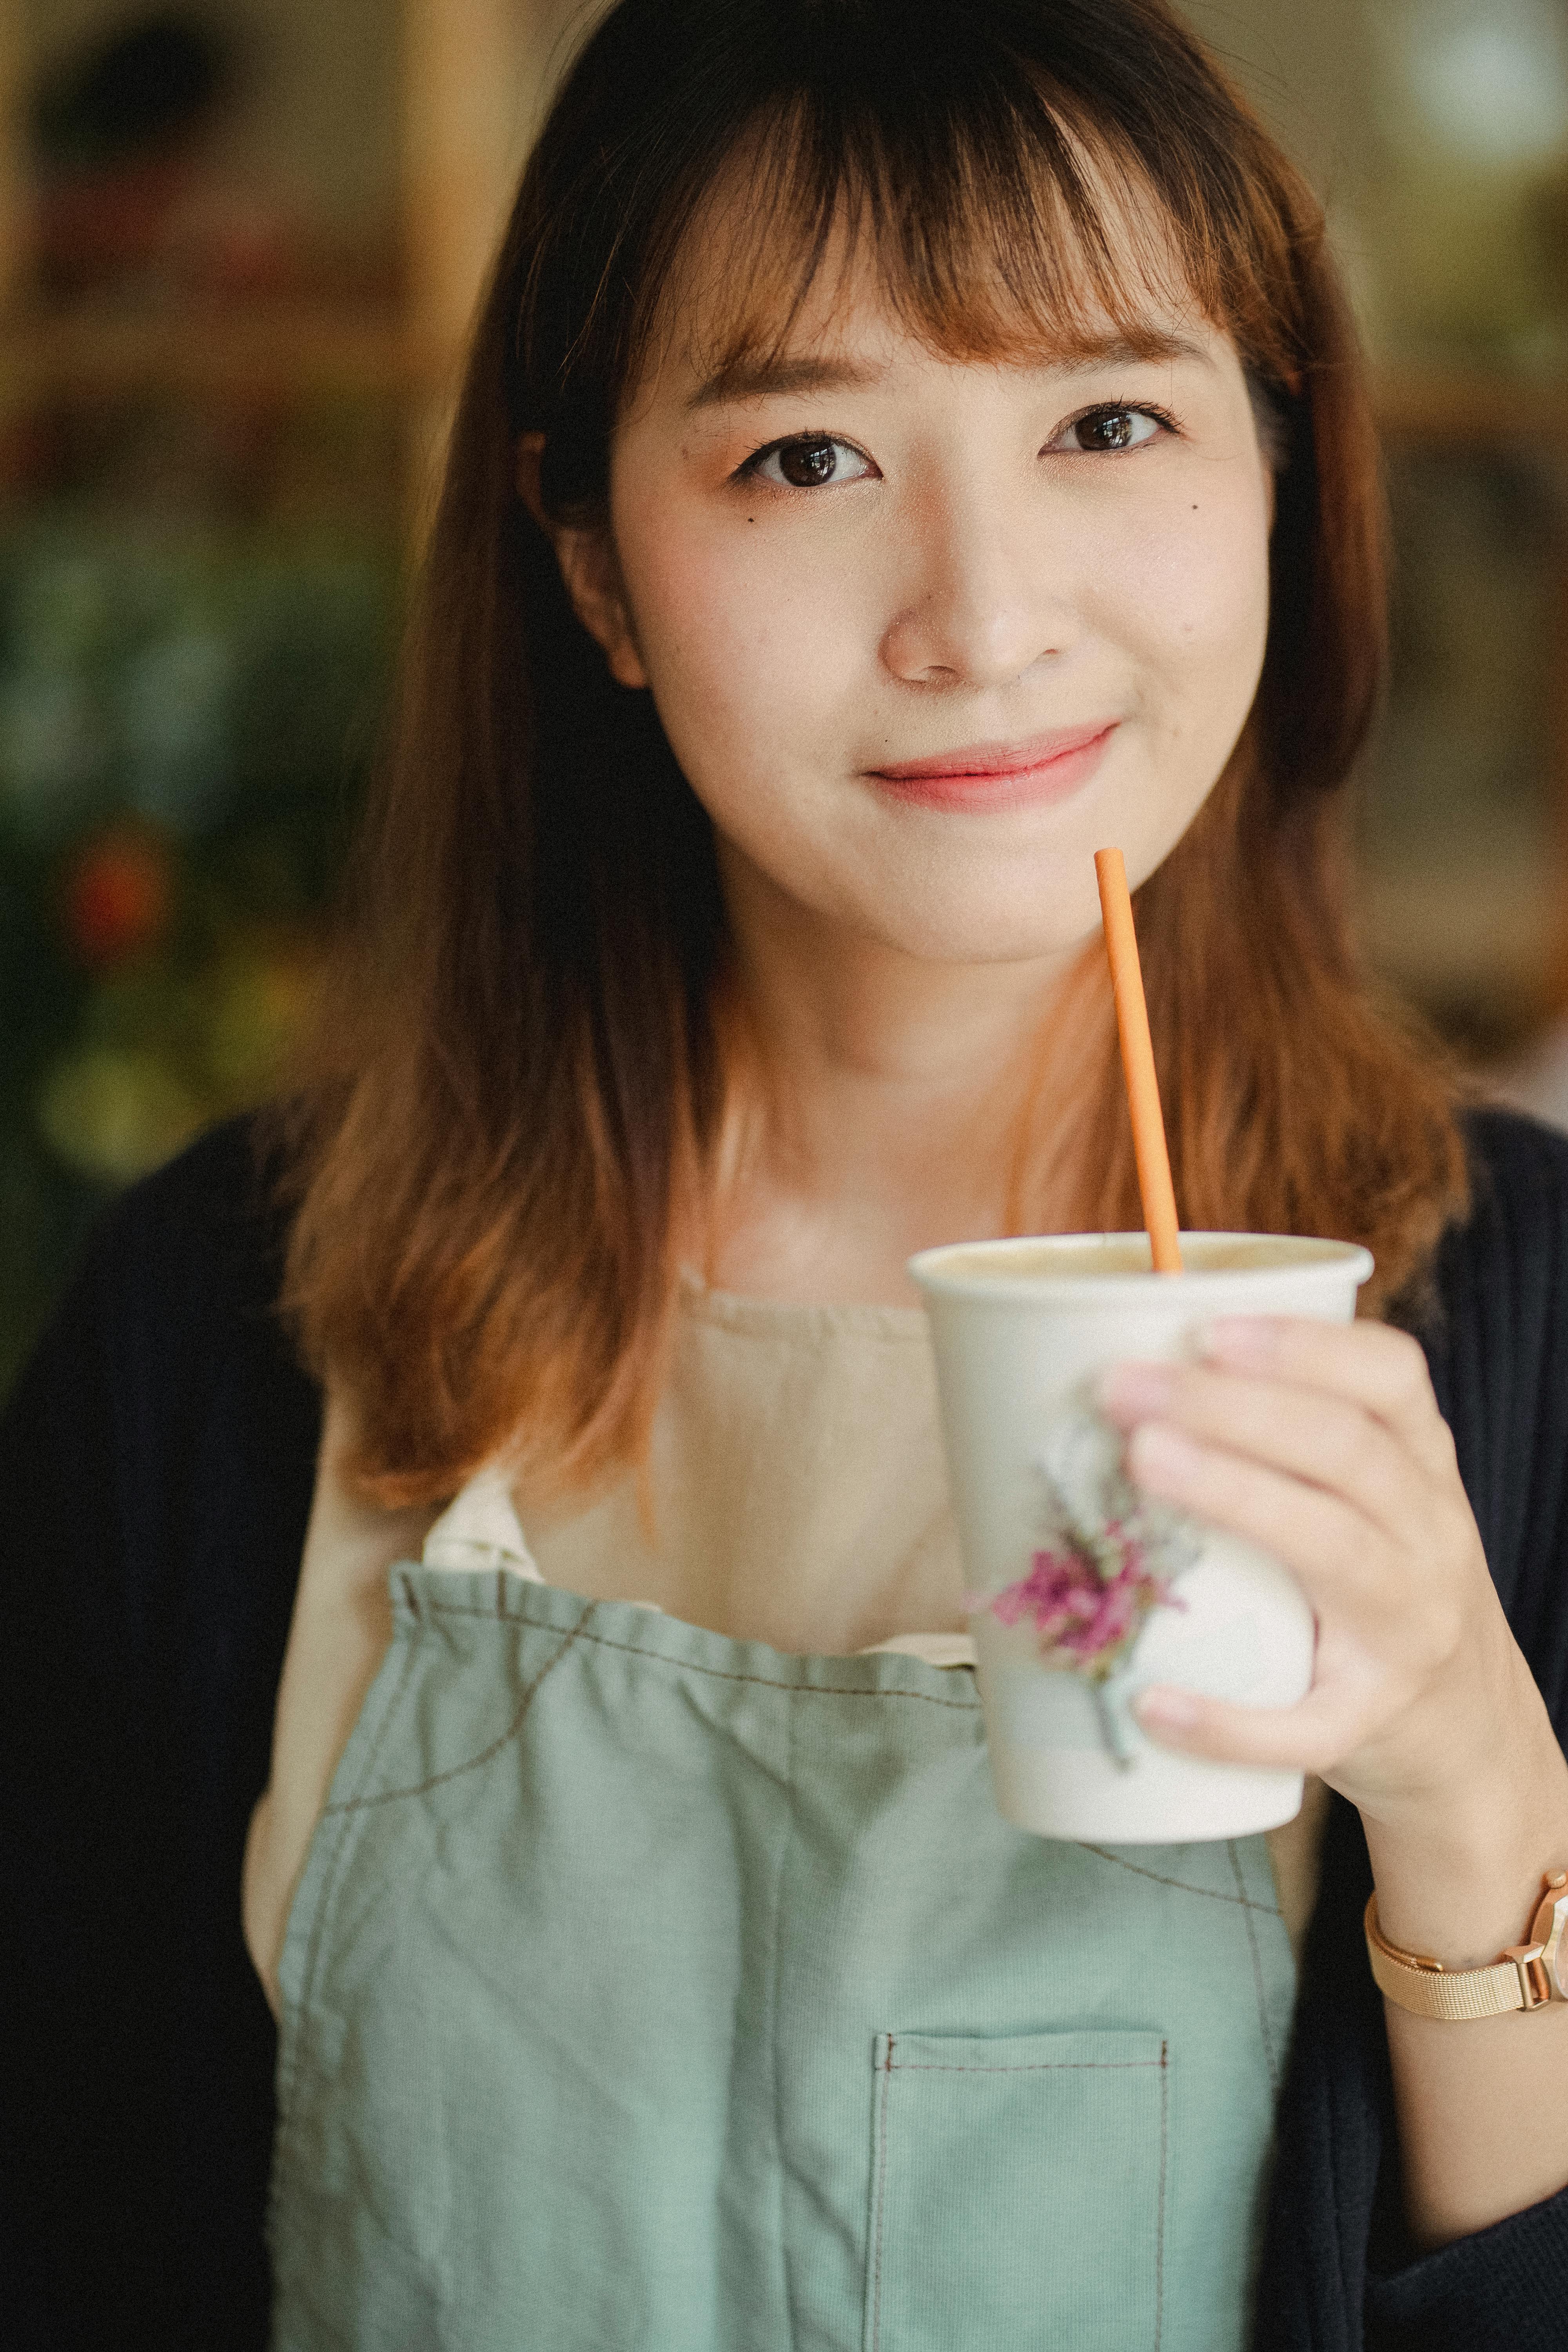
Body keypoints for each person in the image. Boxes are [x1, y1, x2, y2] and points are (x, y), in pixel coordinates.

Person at [5, 1, 1568, 2344]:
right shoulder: (207, 1345)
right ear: (598, 566)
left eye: (1110, 420)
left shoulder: (1532, 1319)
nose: (985, 616)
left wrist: (1467, 1794)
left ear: (1277, 463)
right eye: (809, 458)